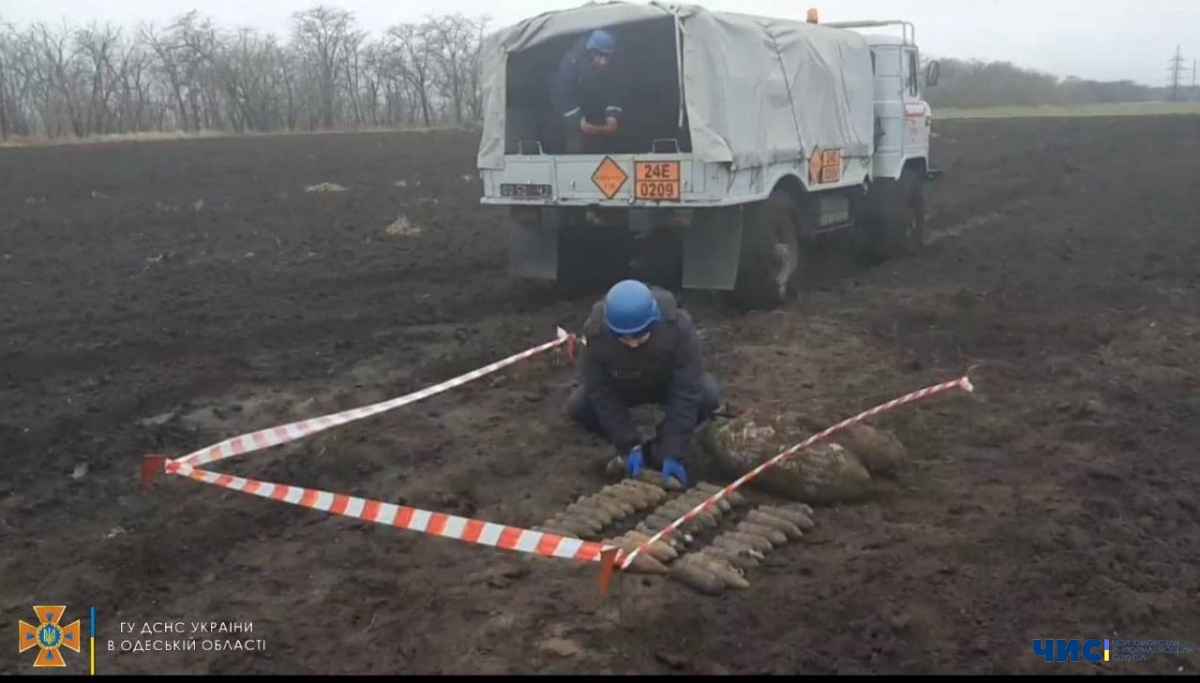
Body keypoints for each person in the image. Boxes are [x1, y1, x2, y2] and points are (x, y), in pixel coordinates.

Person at [568, 280, 722, 488]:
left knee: (707, 395)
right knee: (580, 405)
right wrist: (628, 443)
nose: (632, 343)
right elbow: (600, 391)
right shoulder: (595, 334)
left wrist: (672, 450)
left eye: (640, 337)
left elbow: (687, 389)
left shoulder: (678, 327)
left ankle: (659, 449)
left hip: (665, 384)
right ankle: (630, 451)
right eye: (624, 338)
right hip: (623, 385)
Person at [550, 29, 623, 154]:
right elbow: (563, 96)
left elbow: (615, 90)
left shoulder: (613, 68)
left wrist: (612, 118)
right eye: (600, 56)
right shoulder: (570, 63)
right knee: (576, 148)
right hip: (574, 119)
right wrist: (580, 122)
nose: (604, 61)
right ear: (591, 53)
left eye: (607, 56)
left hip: (599, 117)